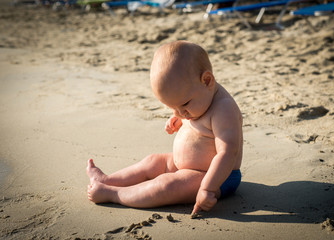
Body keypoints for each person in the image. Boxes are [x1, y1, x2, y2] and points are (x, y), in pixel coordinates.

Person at [87, 40, 243, 215]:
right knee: (152, 161)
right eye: (173, 107)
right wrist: (180, 119)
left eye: (184, 105)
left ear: (207, 81)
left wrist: (207, 188)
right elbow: (199, 123)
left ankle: (113, 194)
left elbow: (228, 152)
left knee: (167, 185)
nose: (180, 112)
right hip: (183, 165)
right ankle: (108, 180)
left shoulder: (224, 109)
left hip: (216, 176)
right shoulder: (199, 99)